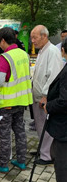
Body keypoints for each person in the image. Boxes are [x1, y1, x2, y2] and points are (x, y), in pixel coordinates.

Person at [0, 27, 33, 173]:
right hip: (22, 101)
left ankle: (3, 164)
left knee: (5, 133)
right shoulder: (24, 54)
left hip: (7, 103)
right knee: (20, 131)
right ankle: (21, 161)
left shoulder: (5, 57)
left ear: (2, 41)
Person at [31, 25, 63, 165]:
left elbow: (53, 76)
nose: (32, 40)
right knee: (40, 124)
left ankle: (47, 155)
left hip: (45, 97)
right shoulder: (42, 51)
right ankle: (43, 149)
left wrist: (45, 95)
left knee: (45, 125)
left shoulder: (52, 51)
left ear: (44, 36)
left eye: (35, 37)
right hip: (38, 95)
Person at [44, 37, 67, 182]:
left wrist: (49, 106)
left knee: (62, 163)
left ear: (63, 51)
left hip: (64, 127)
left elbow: (64, 101)